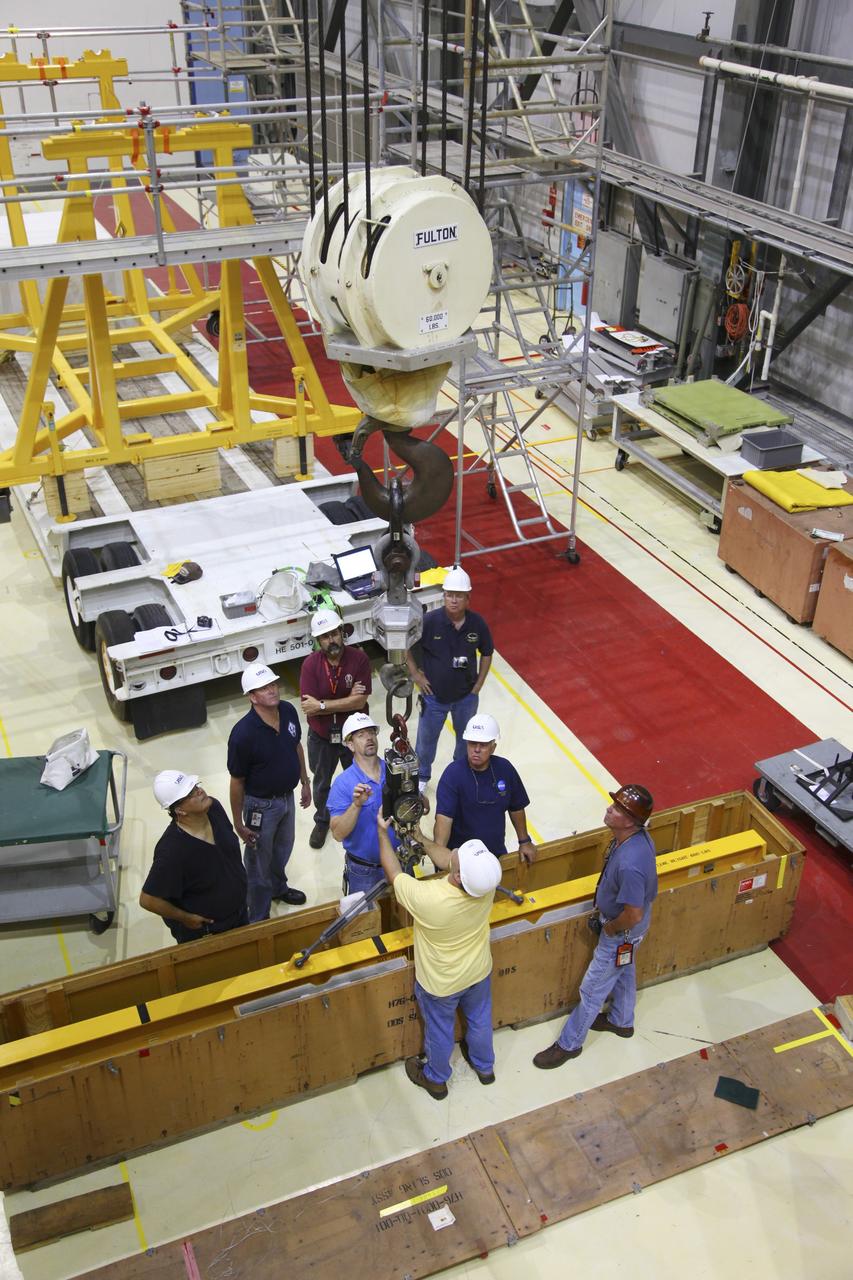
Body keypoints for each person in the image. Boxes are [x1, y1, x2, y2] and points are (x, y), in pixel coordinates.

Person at [378, 813, 503, 1099]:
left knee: (439, 1031)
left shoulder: (429, 898)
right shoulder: (485, 887)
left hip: (440, 984)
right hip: (478, 972)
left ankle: (435, 1078)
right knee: (480, 1020)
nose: (455, 851)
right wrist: (420, 838)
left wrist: (382, 834)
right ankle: (485, 1067)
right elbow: (451, 860)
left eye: (458, 857)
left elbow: (394, 874)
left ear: (458, 877)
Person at [533, 785, 657, 1068]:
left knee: (592, 990)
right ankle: (621, 1021)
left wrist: (611, 928)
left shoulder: (631, 864)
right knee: (624, 970)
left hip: (623, 931)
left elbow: (633, 914)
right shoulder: (635, 839)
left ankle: (569, 1043)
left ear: (629, 820)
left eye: (616, 808)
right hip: (630, 935)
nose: (608, 809)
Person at [227, 663, 311, 921]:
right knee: (257, 862)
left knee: (283, 848)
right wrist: (239, 823)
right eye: (263, 688)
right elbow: (237, 781)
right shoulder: (243, 735)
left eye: (273, 684)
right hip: (260, 808)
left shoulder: (287, 710)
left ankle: (278, 887)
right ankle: (258, 914)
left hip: (287, 798)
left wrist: (305, 781)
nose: (272, 690)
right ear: (252, 697)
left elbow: (296, 745)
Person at [406, 566, 493, 791]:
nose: (453, 600)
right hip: (434, 697)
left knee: (466, 740)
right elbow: (405, 645)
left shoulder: (478, 624)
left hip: (466, 697)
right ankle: (422, 777)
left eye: (459, 596)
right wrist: (416, 675)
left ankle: (461, 774)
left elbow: (487, 652)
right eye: (449, 595)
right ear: (444, 596)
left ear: (468, 598)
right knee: (425, 742)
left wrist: (479, 684)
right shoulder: (429, 621)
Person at [140, 771, 249, 945]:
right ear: (179, 810)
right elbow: (148, 899)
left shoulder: (214, 809)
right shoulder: (172, 851)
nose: (199, 791)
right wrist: (185, 917)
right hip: (210, 931)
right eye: (190, 794)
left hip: (240, 912)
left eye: (196, 786)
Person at [300, 608, 372, 850]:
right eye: (325, 637)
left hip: (352, 737)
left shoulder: (359, 659)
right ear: (318, 641)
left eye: (334, 634)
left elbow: (359, 702)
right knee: (321, 783)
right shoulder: (310, 665)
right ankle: (322, 821)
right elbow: (308, 709)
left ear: (342, 632)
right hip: (321, 737)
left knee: (359, 778)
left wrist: (322, 704)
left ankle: (359, 814)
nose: (331, 640)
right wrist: (344, 702)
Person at [434, 713, 536, 864]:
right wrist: (441, 858)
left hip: (496, 856)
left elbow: (516, 807)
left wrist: (524, 841)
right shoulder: (452, 775)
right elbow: (444, 819)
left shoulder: (505, 769)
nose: (476, 749)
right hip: (462, 862)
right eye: (472, 743)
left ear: (493, 747)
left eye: (483, 745)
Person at [327, 711, 402, 896]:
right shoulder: (343, 784)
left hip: (400, 860)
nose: (368, 738)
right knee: (366, 922)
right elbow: (337, 833)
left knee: (406, 915)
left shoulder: (396, 771)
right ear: (350, 744)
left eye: (371, 732)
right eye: (361, 735)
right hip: (364, 872)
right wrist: (356, 805)